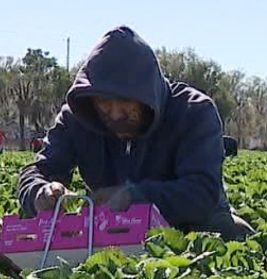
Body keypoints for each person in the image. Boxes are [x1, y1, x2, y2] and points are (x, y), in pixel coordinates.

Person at [16, 25, 254, 241]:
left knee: (231, 234)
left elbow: (203, 192)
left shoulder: (194, 111)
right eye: (104, 104)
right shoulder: (77, 117)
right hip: (110, 230)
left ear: (147, 95)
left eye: (126, 104)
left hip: (190, 228)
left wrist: (134, 197)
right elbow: (39, 170)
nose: (116, 114)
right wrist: (40, 191)